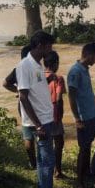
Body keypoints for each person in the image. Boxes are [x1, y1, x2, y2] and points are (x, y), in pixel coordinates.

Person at [15, 30, 58, 188]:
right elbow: (23, 97)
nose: (51, 49)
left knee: (44, 164)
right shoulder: (25, 66)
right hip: (40, 124)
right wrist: (38, 124)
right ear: (40, 45)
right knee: (47, 164)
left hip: (45, 120)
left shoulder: (37, 65)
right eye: (49, 45)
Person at [67, 42, 95, 188]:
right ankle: (79, 184)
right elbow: (71, 96)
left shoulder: (84, 69)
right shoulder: (75, 71)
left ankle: (86, 176)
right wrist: (77, 118)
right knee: (83, 149)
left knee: (87, 147)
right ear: (89, 54)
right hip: (84, 118)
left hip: (91, 115)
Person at [3, 45, 36, 170]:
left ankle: (33, 163)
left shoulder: (18, 69)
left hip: (22, 103)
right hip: (30, 103)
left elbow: (5, 83)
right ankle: (37, 162)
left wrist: (17, 91)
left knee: (28, 134)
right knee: (33, 133)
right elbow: (5, 83)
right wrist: (19, 91)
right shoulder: (31, 68)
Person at [43, 50, 67, 179]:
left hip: (41, 115)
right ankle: (57, 171)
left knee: (46, 144)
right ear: (56, 63)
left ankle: (46, 170)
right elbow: (58, 99)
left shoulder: (39, 76)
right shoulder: (58, 78)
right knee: (59, 143)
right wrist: (59, 116)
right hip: (54, 113)